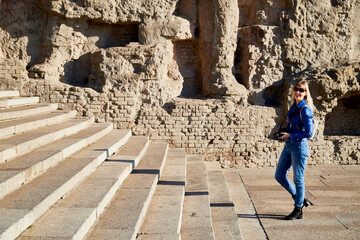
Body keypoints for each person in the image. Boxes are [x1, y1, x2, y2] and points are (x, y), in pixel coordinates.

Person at [275, 79, 314, 220]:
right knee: (279, 175)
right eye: (296, 89)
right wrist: (284, 131)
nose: (298, 92)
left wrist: (290, 134)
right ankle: (300, 198)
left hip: (299, 147)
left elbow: (309, 133)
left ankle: (298, 209)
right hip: (289, 145)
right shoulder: (293, 107)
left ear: (305, 93)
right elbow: (294, 127)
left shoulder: (305, 110)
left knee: (298, 179)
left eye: (301, 90)